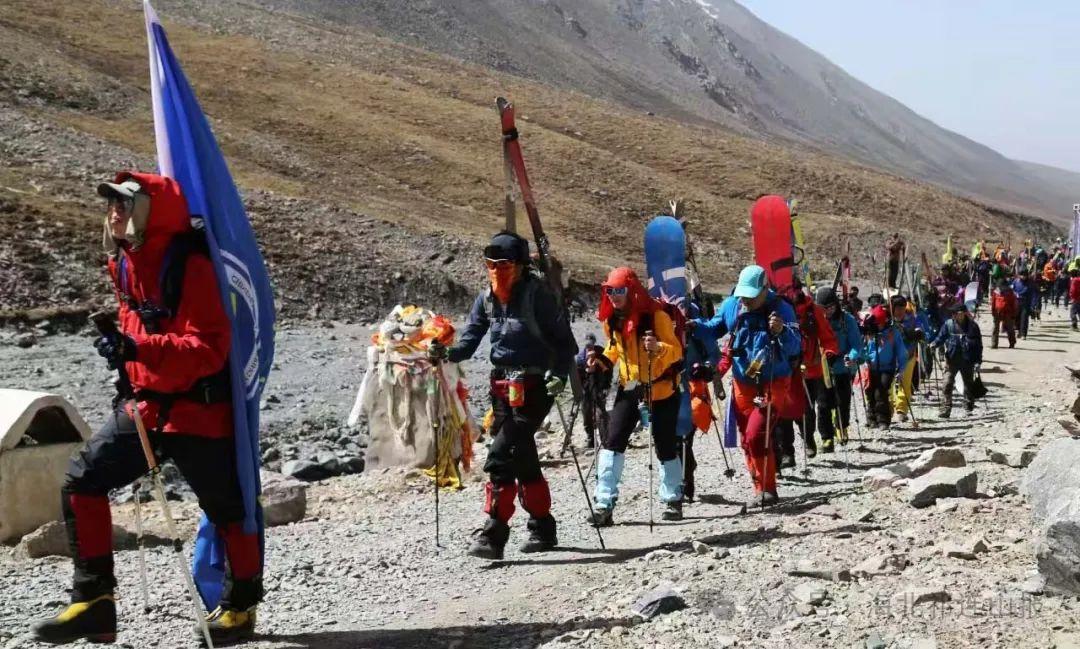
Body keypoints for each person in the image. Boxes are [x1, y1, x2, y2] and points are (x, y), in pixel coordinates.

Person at [32, 173, 262, 646]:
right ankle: (94, 603)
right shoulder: (125, 262)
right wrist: (127, 359)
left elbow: (208, 349)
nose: (115, 212)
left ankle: (239, 610)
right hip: (146, 408)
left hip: (198, 411)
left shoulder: (189, 265)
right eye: (111, 205)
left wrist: (137, 347)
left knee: (228, 509)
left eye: (125, 204)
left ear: (149, 211)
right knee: (83, 479)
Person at [439, 231, 577, 559]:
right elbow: (469, 342)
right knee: (524, 457)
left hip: (536, 386)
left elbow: (566, 344)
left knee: (501, 456)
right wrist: (443, 353)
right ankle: (543, 527)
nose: (496, 270)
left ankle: (494, 534)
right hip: (501, 387)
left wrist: (559, 377)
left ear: (519, 265)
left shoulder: (538, 296)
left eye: (503, 264)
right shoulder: (486, 298)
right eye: (490, 263)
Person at [690, 265, 801, 507]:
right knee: (746, 439)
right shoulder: (733, 305)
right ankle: (760, 488)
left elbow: (795, 347)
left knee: (756, 433)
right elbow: (714, 328)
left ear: (765, 289)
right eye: (743, 293)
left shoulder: (782, 309)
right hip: (743, 382)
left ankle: (768, 490)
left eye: (751, 295)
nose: (745, 299)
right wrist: (692, 324)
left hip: (775, 381)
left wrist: (781, 331)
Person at [589, 267, 684, 525]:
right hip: (630, 386)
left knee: (664, 444)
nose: (613, 296)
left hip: (661, 389)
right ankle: (603, 502)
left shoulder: (657, 317)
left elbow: (676, 351)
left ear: (631, 290)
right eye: (609, 291)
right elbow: (615, 350)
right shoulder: (612, 318)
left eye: (618, 291)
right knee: (613, 440)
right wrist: (600, 361)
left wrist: (658, 348)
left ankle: (673, 498)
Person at [775, 284, 838, 464]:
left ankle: (809, 437)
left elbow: (827, 337)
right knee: (787, 412)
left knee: (811, 409)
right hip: (786, 369)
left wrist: (830, 354)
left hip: (813, 369)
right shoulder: (777, 311)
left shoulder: (814, 311)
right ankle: (790, 450)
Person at [817, 287, 865, 447]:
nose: (828, 311)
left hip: (843, 368)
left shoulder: (847, 320)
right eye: (824, 308)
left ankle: (841, 427)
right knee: (823, 404)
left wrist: (851, 357)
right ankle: (826, 437)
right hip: (822, 368)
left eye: (831, 307)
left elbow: (857, 345)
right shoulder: (815, 321)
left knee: (842, 402)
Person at [930, 304, 983, 417]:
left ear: (963, 313)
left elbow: (978, 346)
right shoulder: (948, 324)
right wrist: (934, 344)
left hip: (968, 360)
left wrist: (978, 361)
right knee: (947, 384)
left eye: (956, 313)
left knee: (968, 384)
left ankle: (968, 405)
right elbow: (941, 337)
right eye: (953, 313)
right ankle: (946, 409)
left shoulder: (973, 326)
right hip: (952, 360)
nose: (954, 315)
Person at [862, 303, 908, 429]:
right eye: (876, 323)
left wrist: (901, 368)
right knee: (870, 392)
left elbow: (902, 352)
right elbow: (864, 349)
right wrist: (863, 360)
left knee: (880, 392)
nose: (877, 325)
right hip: (871, 367)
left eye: (879, 323)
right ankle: (871, 419)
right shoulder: (869, 333)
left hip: (887, 368)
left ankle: (883, 420)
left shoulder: (893, 333)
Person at [889, 296, 928, 423]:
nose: (900, 312)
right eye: (897, 308)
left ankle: (901, 410)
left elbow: (920, 329)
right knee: (887, 384)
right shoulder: (887, 319)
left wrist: (918, 333)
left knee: (904, 383)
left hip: (908, 356)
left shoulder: (912, 318)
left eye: (902, 308)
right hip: (889, 357)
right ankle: (888, 408)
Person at [576, 333, 612, 449]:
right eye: (588, 345)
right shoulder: (581, 358)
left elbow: (608, 370)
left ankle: (605, 440)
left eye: (591, 344)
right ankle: (591, 439)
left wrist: (607, 385)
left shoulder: (602, 354)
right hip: (586, 389)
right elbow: (578, 376)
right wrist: (587, 371)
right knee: (587, 414)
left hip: (599, 388)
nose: (589, 347)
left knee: (601, 414)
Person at [990, 280, 1018, 349]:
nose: (1001, 288)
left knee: (1010, 328)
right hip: (997, 312)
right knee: (995, 329)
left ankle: (1012, 343)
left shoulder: (1010, 292)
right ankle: (994, 344)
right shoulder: (995, 292)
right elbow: (993, 302)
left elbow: (1013, 303)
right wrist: (993, 311)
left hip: (1008, 312)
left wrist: (1014, 313)